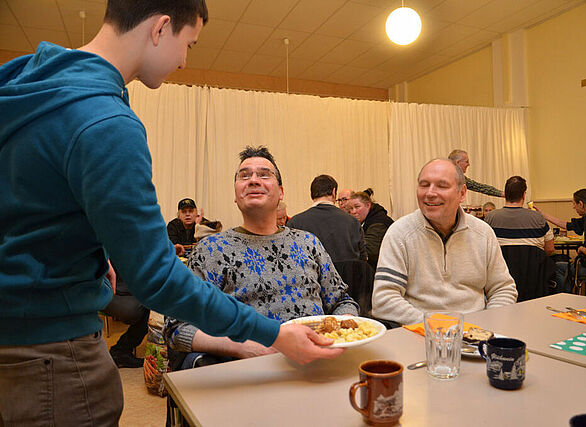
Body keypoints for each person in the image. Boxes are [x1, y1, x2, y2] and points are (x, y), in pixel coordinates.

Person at [0, 2, 342, 425]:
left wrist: (93, 245)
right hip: (53, 350)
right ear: (161, 28)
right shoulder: (106, 121)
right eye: (189, 44)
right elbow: (157, 279)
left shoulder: (27, 80)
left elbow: (32, 197)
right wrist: (272, 334)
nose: (183, 60)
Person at [164, 147, 358, 367]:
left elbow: (342, 301)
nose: (253, 180)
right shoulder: (211, 250)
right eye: (244, 176)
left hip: (317, 363)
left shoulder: (308, 243)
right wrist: (244, 347)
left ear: (281, 192)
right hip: (248, 371)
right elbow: (177, 327)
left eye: (264, 175)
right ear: (236, 194)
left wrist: (338, 335)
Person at [371, 159, 517, 325]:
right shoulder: (400, 233)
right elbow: (383, 300)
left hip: (476, 333)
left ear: (462, 193)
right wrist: (439, 327)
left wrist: (485, 326)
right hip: (418, 332)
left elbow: (503, 289)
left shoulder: (483, 233)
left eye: (442, 186)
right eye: (424, 185)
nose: (430, 193)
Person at [535, 189, 586, 292]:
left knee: (557, 267)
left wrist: (581, 249)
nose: (573, 207)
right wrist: (543, 215)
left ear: (581, 204)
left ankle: (565, 298)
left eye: (574, 203)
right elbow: (567, 225)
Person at [288, 175, 367, 263]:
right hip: (348, 276)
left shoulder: (295, 223)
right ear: (334, 192)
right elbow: (362, 259)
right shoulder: (353, 222)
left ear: (311, 194)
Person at [485, 176, 554, 256]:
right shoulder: (539, 218)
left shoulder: (490, 217)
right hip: (532, 268)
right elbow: (550, 248)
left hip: (502, 267)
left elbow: (484, 247)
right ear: (524, 195)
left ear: (505, 194)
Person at [102, 268, 150, 368]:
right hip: (111, 291)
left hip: (124, 289)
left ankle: (121, 350)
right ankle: (121, 351)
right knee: (149, 309)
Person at [349, 189, 394, 269]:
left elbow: (369, 251)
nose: (353, 211)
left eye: (357, 207)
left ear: (368, 205)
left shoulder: (379, 222)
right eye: (351, 208)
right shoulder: (366, 221)